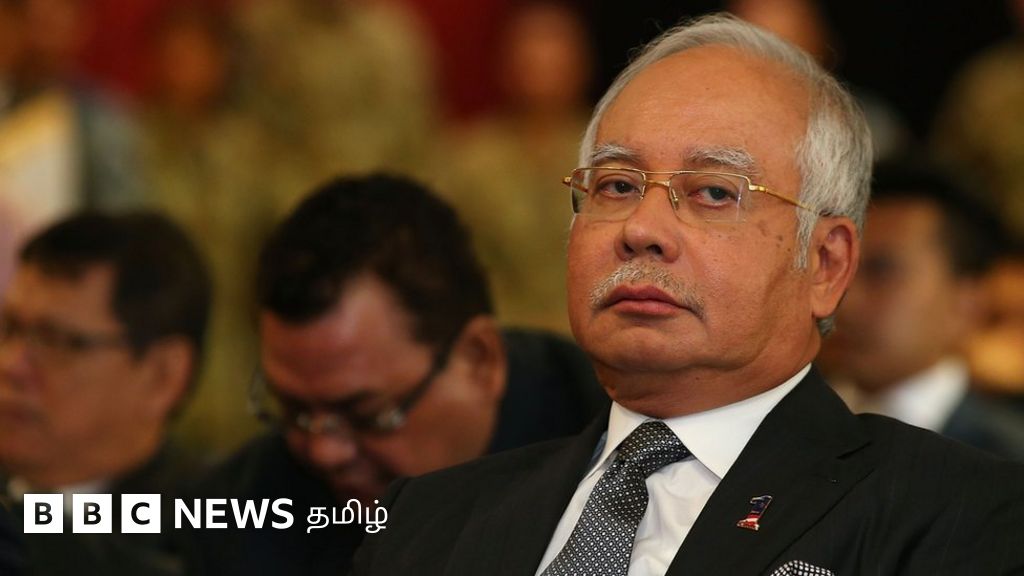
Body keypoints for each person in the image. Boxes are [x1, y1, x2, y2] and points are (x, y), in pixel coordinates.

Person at [350, 14, 1024, 576]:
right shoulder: (425, 522)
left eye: (713, 193)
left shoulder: (960, 516)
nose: (641, 229)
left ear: (825, 264)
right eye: (616, 185)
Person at [186, 174, 604, 576]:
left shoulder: (615, 459)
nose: (324, 451)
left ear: (479, 361)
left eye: (367, 416)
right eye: (294, 411)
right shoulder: (239, 518)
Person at [0, 211, 211, 575]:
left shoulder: (216, 539)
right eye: (9, 329)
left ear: (162, 376)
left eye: (56, 340)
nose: (11, 365)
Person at [824, 158, 1024, 460]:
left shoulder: (1006, 460)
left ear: (967, 302)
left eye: (881, 271)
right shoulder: (778, 424)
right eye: (833, 265)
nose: (844, 300)